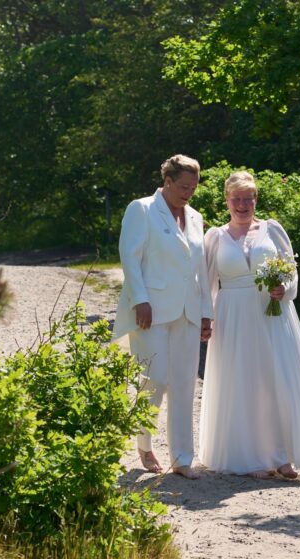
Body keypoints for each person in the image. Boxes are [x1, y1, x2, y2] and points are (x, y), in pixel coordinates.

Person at [199, 171, 300, 479]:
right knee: (243, 382)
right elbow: (207, 282)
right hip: (233, 315)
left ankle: (283, 456)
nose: (243, 205)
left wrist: (284, 289)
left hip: (271, 313)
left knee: (277, 380)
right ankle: (252, 457)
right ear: (227, 201)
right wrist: (204, 319)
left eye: (248, 198)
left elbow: (291, 271)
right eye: (236, 199)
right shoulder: (215, 237)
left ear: (256, 199)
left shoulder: (272, 230)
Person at [113, 154, 213, 480]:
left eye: (194, 187)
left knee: (184, 384)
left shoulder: (196, 217)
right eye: (184, 186)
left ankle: (183, 458)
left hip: (187, 311)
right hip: (151, 311)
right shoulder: (141, 209)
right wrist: (140, 299)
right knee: (154, 379)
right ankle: (144, 444)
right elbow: (130, 256)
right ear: (167, 181)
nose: (189, 193)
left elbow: (201, 269)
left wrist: (206, 313)